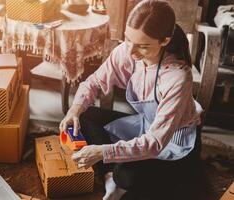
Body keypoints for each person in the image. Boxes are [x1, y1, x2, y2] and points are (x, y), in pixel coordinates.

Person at [59, 0, 203, 199]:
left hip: (173, 143)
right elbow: (94, 83)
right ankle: (112, 176)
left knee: (127, 176)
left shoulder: (177, 77)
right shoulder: (126, 52)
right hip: (145, 125)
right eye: (128, 40)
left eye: (142, 47)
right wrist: (74, 109)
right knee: (83, 117)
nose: (130, 52)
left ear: (164, 41)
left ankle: (115, 175)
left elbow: (154, 143)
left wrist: (103, 152)